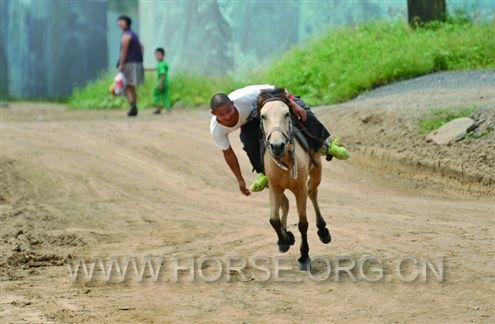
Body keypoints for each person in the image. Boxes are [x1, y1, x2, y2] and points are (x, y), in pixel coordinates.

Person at [209, 85, 350, 196]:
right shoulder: (216, 130)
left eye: (229, 110)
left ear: (233, 104)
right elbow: (228, 154)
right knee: (249, 143)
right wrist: (240, 179)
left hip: (269, 100)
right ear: (214, 114)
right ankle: (264, 172)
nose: (227, 116)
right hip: (251, 120)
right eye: (222, 114)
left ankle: (324, 145)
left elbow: (275, 91)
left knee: (303, 113)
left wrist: (293, 105)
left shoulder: (247, 97)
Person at [117, 15, 144, 117]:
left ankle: (133, 106)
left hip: (129, 63)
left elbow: (124, 51)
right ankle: (134, 106)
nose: (119, 23)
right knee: (132, 86)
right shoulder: (134, 34)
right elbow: (142, 46)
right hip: (137, 61)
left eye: (121, 21)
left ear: (125, 23)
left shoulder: (126, 35)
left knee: (127, 85)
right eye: (118, 21)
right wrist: (140, 58)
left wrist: (121, 64)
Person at [152, 48, 171, 114]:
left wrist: (160, 83)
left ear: (163, 55)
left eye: (158, 55)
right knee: (165, 96)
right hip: (166, 82)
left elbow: (163, 74)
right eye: (156, 55)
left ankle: (158, 108)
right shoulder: (163, 63)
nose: (157, 56)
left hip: (161, 82)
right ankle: (168, 109)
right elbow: (157, 69)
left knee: (155, 94)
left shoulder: (161, 64)